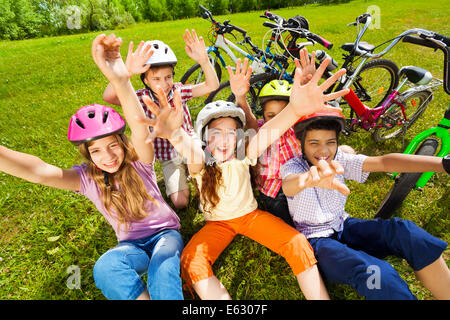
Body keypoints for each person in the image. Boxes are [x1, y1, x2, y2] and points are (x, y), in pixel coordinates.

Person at [138, 56, 351, 299]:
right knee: (191, 260)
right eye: (216, 133)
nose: (225, 140)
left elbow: (271, 131)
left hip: (250, 217)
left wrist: (295, 109)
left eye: (231, 133)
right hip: (217, 225)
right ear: (205, 140)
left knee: (297, 243)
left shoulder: (245, 154)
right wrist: (175, 134)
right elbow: (189, 148)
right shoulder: (201, 161)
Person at [0, 34, 186, 300]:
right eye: (96, 151)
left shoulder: (139, 161)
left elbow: (137, 123)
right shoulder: (86, 178)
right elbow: (37, 171)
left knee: (162, 268)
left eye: (113, 145)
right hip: (130, 246)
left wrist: (121, 80)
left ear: (123, 143)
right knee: (105, 267)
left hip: (164, 235)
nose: (107, 156)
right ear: (86, 154)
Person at [280, 110, 450, 299]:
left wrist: (442, 163)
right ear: (300, 143)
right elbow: (289, 185)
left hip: (344, 225)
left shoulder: (339, 159)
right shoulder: (293, 167)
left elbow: (384, 162)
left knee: (406, 232)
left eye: (331, 142)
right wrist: (310, 179)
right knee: (377, 273)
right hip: (317, 243)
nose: (324, 151)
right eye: (314, 143)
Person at [228, 51, 354, 227]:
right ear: (263, 116)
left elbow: (308, 111)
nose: (279, 119)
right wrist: (240, 96)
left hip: (299, 178)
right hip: (275, 191)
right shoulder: (265, 130)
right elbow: (251, 124)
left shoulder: (298, 127)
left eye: (283, 113)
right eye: (271, 115)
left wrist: (308, 82)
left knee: (346, 152)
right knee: (296, 225)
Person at [103, 29, 219, 209]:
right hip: (168, 157)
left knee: (205, 184)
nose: (164, 84)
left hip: (189, 144)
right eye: (156, 78)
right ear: (145, 79)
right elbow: (109, 97)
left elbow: (212, 85)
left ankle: (197, 173)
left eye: (168, 77)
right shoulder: (141, 98)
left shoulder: (178, 91)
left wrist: (204, 60)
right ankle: (189, 175)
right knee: (180, 203)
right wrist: (126, 72)